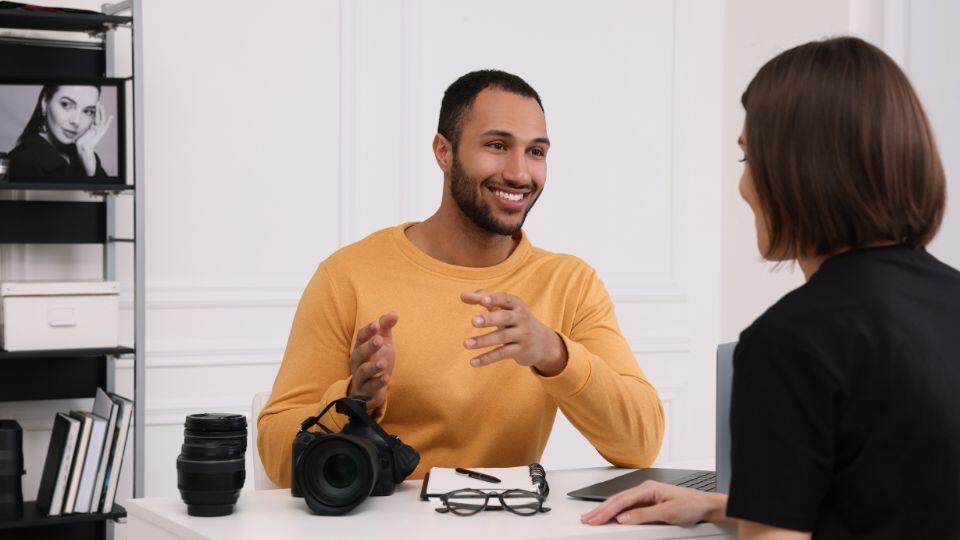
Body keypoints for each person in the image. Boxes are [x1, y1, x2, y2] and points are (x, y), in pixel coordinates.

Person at [582, 36, 960, 539]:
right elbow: (891, 502)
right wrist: (721, 506)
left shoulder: (787, 343)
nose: (743, 187)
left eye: (747, 160)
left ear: (798, 169)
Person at [258, 70, 665, 485]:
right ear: (443, 152)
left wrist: (554, 353)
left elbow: (640, 443)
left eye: (536, 152)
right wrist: (354, 400)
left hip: (509, 526)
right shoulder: (347, 275)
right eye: (497, 145)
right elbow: (277, 456)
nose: (520, 174)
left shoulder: (570, 284)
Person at [8, 85, 113, 179]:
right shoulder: (21, 161)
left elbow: (107, 198)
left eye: (87, 111)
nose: (76, 121)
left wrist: (90, 163)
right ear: (44, 103)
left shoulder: (87, 155)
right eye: (66, 105)